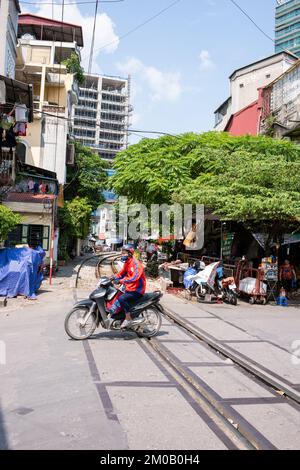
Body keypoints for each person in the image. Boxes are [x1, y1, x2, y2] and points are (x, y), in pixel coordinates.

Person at [112, 244, 146, 329]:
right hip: (129, 288)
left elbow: (135, 277)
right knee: (116, 294)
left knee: (121, 298)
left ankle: (128, 318)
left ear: (130, 253)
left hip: (137, 290)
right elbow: (122, 273)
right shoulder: (127, 263)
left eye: (124, 253)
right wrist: (113, 277)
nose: (122, 255)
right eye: (122, 253)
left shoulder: (136, 264)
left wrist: (121, 281)